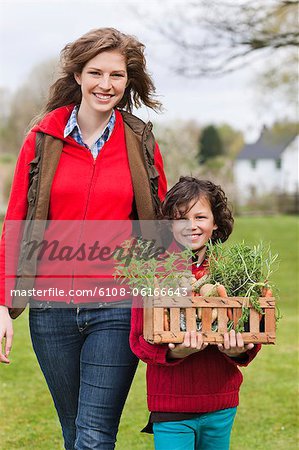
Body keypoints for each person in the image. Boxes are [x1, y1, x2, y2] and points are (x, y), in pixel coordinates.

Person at [0, 28, 167, 450]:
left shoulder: (140, 140)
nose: (106, 85)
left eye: (117, 75)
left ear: (128, 81)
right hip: (50, 310)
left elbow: (161, 226)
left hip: (116, 306)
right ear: (77, 75)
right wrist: (2, 304)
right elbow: (15, 220)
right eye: (96, 72)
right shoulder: (42, 138)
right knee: (75, 431)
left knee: (94, 435)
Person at [130, 176, 261, 450]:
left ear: (215, 222)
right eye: (180, 218)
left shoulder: (231, 271)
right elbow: (139, 341)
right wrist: (177, 352)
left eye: (200, 216)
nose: (191, 226)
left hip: (220, 402)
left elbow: (252, 334)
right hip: (172, 405)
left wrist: (235, 350)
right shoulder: (155, 273)